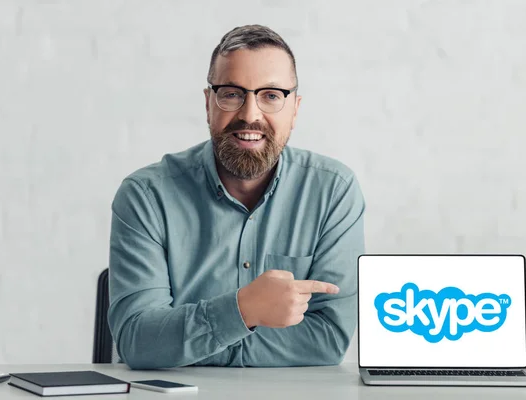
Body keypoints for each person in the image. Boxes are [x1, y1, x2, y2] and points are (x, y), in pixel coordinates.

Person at [107, 24, 365, 369]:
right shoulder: (145, 196)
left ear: (295, 109)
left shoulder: (333, 192)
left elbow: (327, 341)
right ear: (208, 102)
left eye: (271, 95)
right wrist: (245, 310)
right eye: (231, 93)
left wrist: (191, 342)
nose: (250, 114)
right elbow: (138, 342)